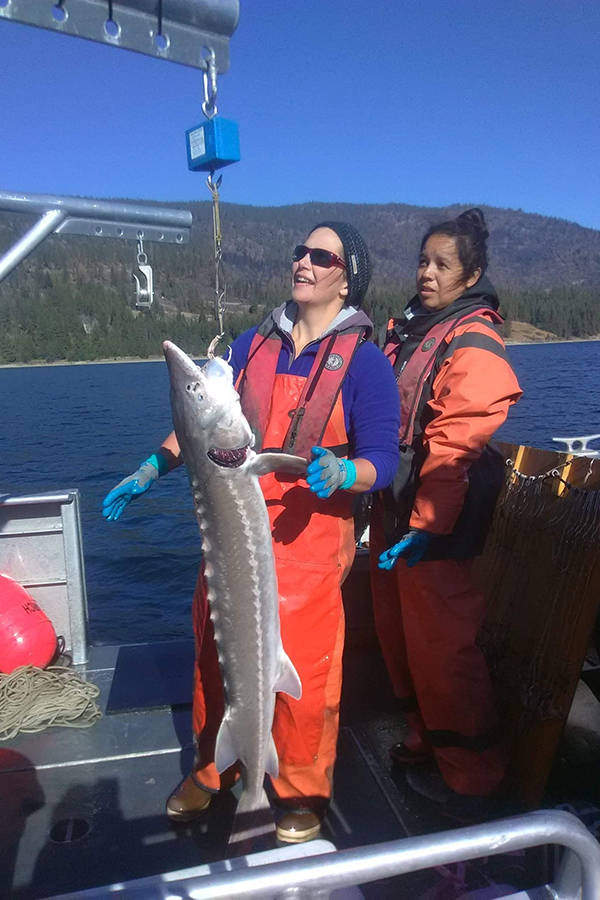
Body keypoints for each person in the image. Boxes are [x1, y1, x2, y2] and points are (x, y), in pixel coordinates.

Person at [102, 222, 400, 843]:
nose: (305, 262)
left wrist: (347, 470)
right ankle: (214, 772)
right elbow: (203, 423)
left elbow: (384, 460)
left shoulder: (365, 364)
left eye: (323, 257)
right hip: (236, 530)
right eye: (301, 250)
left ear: (348, 277)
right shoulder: (252, 344)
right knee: (215, 661)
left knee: (305, 680)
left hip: (312, 541)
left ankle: (298, 790)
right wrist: (154, 463)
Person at [369, 208, 522, 819]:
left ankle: (473, 779)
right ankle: (422, 737)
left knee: (442, 647)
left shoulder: (473, 339)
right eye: (422, 261)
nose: (426, 274)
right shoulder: (409, 329)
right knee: (397, 632)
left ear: (471, 274)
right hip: (395, 508)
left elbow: (457, 439)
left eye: (442, 265)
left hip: (438, 517)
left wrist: (428, 526)